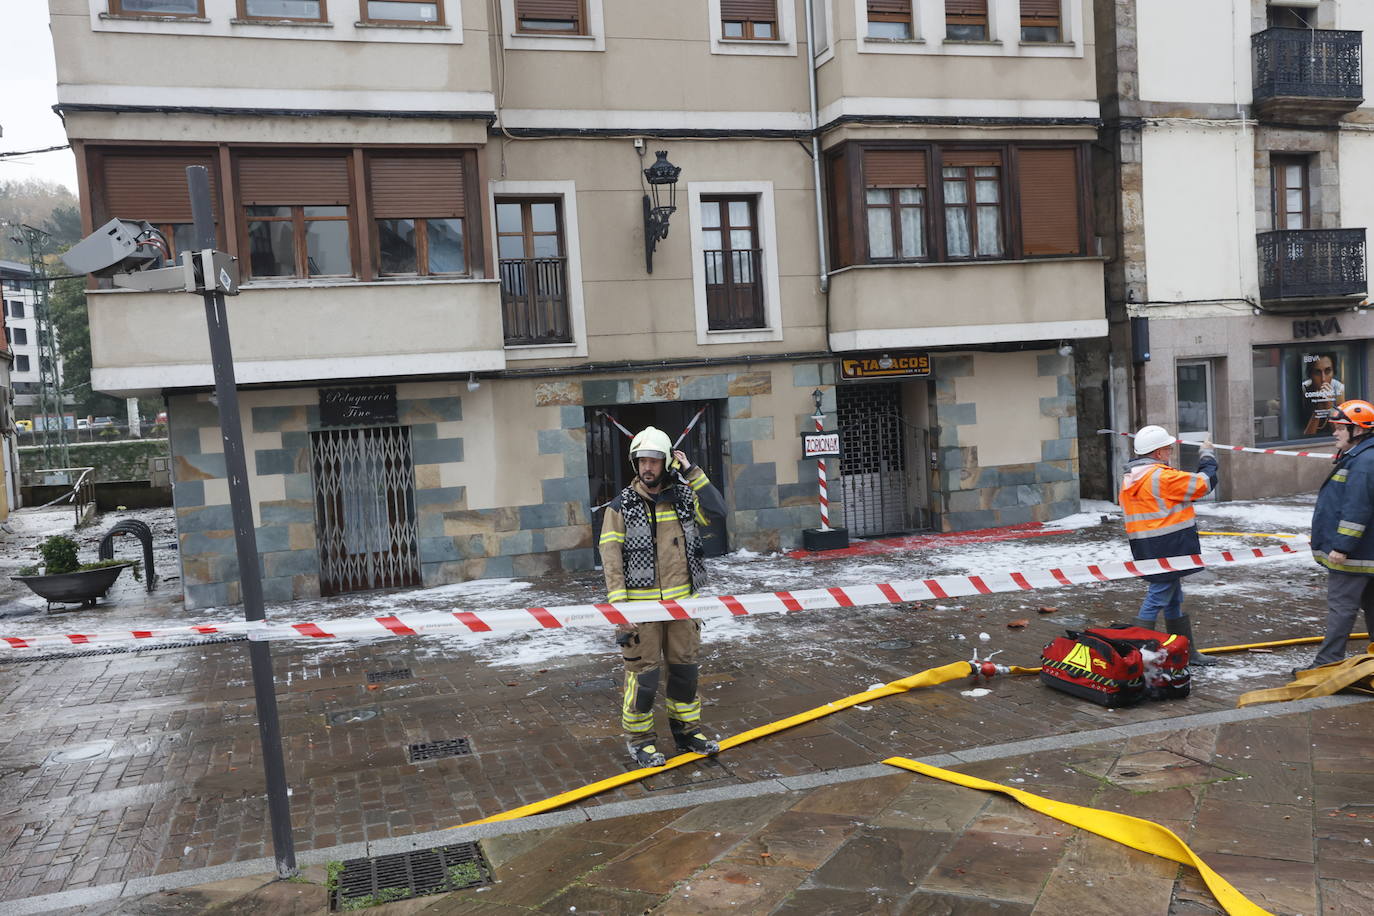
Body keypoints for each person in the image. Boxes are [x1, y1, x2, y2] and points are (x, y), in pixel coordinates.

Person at [599, 425, 727, 767]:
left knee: (685, 673)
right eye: (642, 461)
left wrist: (692, 472)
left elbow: (718, 511)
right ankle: (640, 740)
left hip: (683, 605)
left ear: (667, 462)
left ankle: (687, 733)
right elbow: (611, 560)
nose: (648, 468)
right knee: (644, 678)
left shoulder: (685, 499)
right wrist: (619, 609)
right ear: (634, 464)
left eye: (655, 461)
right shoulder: (620, 506)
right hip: (640, 610)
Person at [1121, 424, 1219, 666]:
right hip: (1170, 547)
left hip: (1147, 546)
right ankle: (1138, 657)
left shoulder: (1131, 478)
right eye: (1167, 448)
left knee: (1173, 598)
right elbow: (1204, 484)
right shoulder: (1161, 476)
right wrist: (1207, 455)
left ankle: (1185, 652)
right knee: (1157, 598)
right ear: (1156, 454)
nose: (1170, 452)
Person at [1307, 399, 1374, 668]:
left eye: (1340, 427)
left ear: (1358, 431)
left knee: (1341, 608)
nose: (1334, 432)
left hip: (1355, 556)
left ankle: (1326, 663)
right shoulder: (1363, 456)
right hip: (1368, 553)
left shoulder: (1363, 463)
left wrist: (1342, 547)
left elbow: (1356, 509)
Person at [1301, 353, 1345, 437]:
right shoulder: (1304, 389)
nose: (1323, 379)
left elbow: (1340, 434)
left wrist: (1329, 407)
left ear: (1333, 372)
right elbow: (1307, 437)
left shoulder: (1340, 389)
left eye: (1327, 371)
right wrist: (1318, 409)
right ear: (1310, 375)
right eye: (1317, 372)